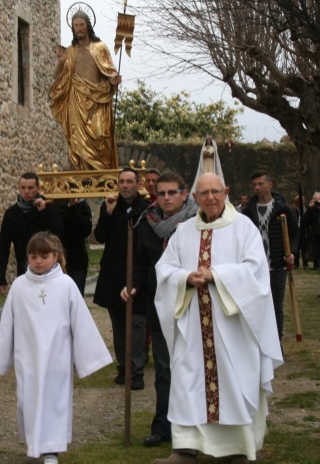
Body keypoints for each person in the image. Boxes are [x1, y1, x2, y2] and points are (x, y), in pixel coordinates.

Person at [152, 173, 283, 464]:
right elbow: (165, 271)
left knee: (232, 383)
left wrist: (217, 276)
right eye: (203, 193)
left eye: (215, 191)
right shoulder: (183, 231)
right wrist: (186, 278)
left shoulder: (243, 228)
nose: (210, 197)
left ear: (226, 192)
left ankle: (236, 448)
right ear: (194, 198)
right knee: (188, 382)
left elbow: (256, 272)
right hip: (193, 327)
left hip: (231, 328)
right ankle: (185, 447)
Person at [0, 232, 112, 464]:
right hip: (27, 357)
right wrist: (1, 358)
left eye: (44, 256)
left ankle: (51, 450)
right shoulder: (19, 286)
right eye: (33, 256)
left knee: (55, 402)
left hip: (57, 356)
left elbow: (80, 321)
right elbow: (7, 324)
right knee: (28, 401)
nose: (38, 261)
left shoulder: (65, 285)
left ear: (55, 256)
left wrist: (88, 358)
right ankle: (34, 442)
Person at [124, 171, 198, 447]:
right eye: (161, 193)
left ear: (184, 193)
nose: (166, 198)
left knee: (193, 367)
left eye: (171, 193)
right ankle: (163, 426)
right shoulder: (148, 222)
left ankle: (197, 425)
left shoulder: (197, 222)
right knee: (165, 368)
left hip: (193, 303)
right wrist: (133, 285)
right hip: (160, 305)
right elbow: (141, 264)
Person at [94, 167, 150, 390]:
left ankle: (136, 371)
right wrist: (107, 213)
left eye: (129, 181)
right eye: (122, 182)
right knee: (118, 325)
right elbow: (100, 236)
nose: (125, 185)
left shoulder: (145, 209)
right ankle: (123, 367)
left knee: (136, 324)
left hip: (136, 273)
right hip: (114, 273)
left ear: (137, 184)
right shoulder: (111, 206)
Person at [49, 10, 121, 170]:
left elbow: (108, 70)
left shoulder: (100, 47)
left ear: (87, 26)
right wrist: (61, 62)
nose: (79, 28)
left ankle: (102, 176)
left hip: (97, 99)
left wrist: (113, 79)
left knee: (100, 134)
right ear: (72, 28)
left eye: (81, 25)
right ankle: (83, 175)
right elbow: (57, 76)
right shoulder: (70, 51)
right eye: (76, 26)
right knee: (77, 139)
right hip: (75, 99)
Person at [242, 170, 298, 340]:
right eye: (254, 185)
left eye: (261, 184)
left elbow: (295, 233)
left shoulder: (284, 209)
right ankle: (258, 342)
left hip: (277, 265)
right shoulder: (248, 212)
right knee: (255, 305)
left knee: (275, 307)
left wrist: (292, 253)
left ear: (270, 185)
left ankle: (276, 343)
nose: (257, 188)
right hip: (255, 266)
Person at [0, 173, 64, 293]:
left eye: (30, 188)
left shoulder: (49, 208)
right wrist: (0, 278)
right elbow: (3, 247)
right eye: (23, 188)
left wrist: (43, 212)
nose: (26, 192)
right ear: (19, 188)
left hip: (48, 268)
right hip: (24, 269)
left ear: (38, 188)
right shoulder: (11, 214)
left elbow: (58, 234)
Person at [57, 198, 93, 296]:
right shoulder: (52, 205)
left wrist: (73, 209)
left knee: (75, 296)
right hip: (54, 261)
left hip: (77, 260)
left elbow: (85, 230)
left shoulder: (82, 206)